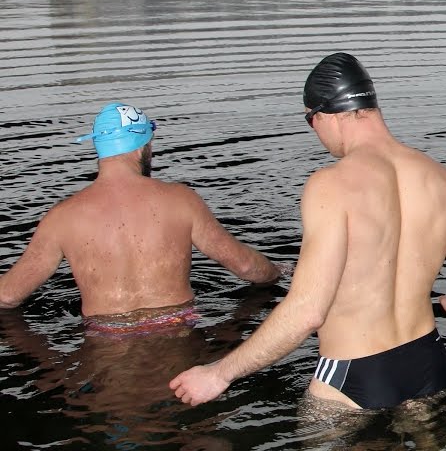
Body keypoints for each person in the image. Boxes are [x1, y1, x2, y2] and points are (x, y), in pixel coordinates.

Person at [170, 53, 446, 409]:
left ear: (325, 115)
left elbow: (308, 310)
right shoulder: (440, 177)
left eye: (311, 122)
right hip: (429, 362)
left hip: (353, 373)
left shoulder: (331, 184)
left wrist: (219, 373)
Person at [0, 103, 280, 331]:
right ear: (141, 146)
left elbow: (8, 295)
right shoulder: (181, 199)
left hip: (106, 336)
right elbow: (246, 267)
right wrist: (276, 271)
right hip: (176, 327)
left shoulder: (61, 217)